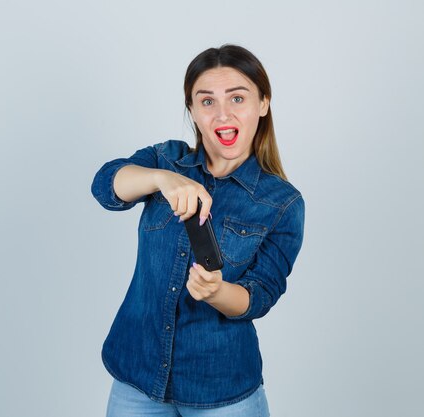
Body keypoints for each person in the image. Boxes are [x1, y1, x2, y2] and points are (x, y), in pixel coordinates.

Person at [90, 44, 305, 417]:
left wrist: (217, 291)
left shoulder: (283, 203)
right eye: (206, 102)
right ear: (192, 110)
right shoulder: (166, 159)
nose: (222, 113)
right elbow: (105, 186)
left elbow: (261, 296)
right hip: (135, 374)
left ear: (263, 104)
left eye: (238, 98)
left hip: (222, 389)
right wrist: (162, 179)